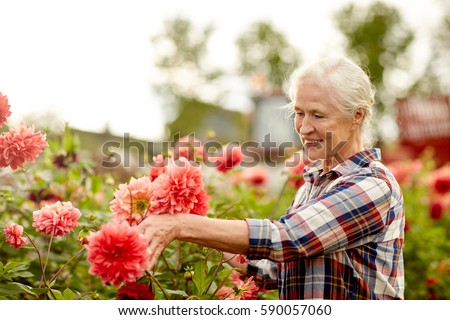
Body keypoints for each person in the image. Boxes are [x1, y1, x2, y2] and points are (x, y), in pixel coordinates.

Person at [137, 56, 405, 300]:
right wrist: (199, 231)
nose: (304, 127)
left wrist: (182, 224)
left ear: (356, 115)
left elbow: (290, 239)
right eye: (299, 113)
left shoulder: (371, 184)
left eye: (318, 115)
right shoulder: (314, 184)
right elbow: (277, 272)